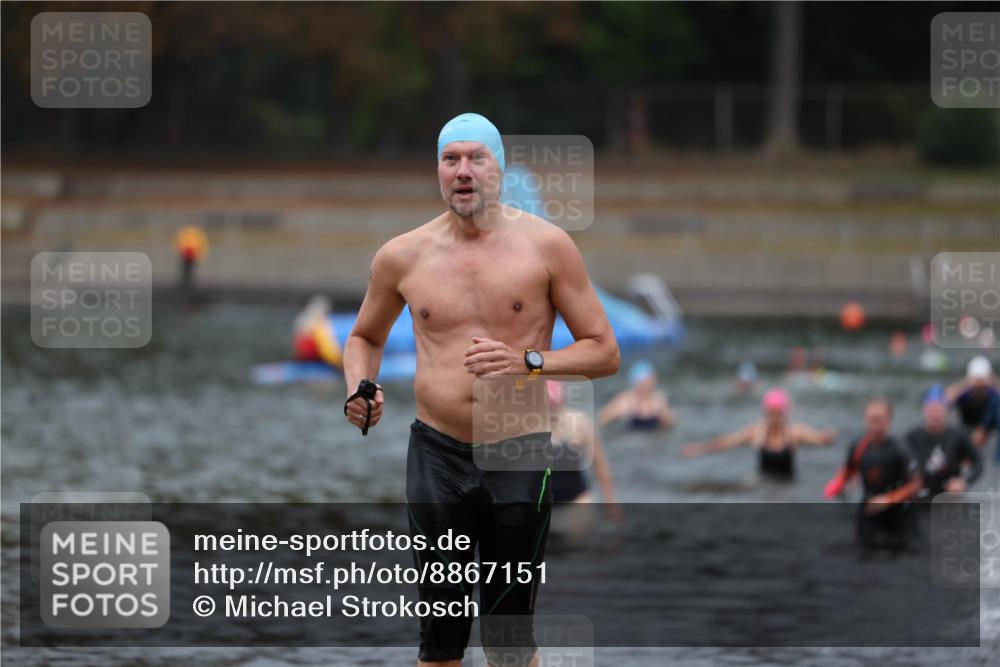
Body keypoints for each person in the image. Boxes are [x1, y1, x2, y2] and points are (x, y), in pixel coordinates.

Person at [342, 112, 620, 667]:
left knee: (507, 639)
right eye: (451, 160)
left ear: (499, 168)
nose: (463, 171)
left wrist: (529, 361)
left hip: (518, 448)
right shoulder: (402, 255)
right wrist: (361, 386)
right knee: (440, 641)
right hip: (436, 453)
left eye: (476, 158)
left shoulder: (548, 247)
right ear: (438, 171)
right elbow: (363, 337)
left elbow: (604, 352)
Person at [823, 398, 922, 552]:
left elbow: (916, 484)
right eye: (871, 419)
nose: (875, 424)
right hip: (869, 507)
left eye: (879, 419)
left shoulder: (901, 449)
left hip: (899, 512)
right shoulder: (858, 445)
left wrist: (889, 499)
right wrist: (839, 483)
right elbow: (849, 469)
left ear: (889, 421)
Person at [680, 388, 836, 480]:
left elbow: (819, 439)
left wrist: (827, 437)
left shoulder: (794, 432)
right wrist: (699, 448)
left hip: (787, 486)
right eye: (771, 414)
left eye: (778, 414)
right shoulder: (757, 432)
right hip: (763, 486)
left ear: (784, 413)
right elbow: (726, 443)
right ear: (765, 413)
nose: (774, 419)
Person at [546, 380, 622, 525]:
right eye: (547, 406)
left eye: (554, 405)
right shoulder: (530, 427)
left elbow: (601, 467)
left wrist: (611, 504)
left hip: (577, 500)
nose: (551, 411)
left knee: (578, 542)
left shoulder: (580, 424)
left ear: (562, 401)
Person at [905, 385, 982, 500]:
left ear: (946, 411)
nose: (935, 415)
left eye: (938, 410)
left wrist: (963, 481)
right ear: (924, 411)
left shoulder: (959, 436)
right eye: (931, 410)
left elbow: (978, 463)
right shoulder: (912, 437)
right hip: (920, 495)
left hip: (949, 495)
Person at [598, 360, 675, 431]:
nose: (650, 384)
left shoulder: (658, 399)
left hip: (653, 440)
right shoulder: (626, 400)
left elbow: (671, 424)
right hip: (631, 440)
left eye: (651, 380)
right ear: (637, 383)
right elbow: (602, 418)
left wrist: (663, 415)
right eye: (647, 381)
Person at [946, 355, 1000, 448]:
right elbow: (946, 398)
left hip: (988, 435)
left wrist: (993, 380)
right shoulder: (965, 393)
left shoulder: (993, 394)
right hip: (966, 430)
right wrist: (967, 382)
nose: (979, 386)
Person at [292, 295, 342, 365]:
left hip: (307, 360)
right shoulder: (319, 325)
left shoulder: (303, 321)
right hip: (312, 359)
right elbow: (329, 351)